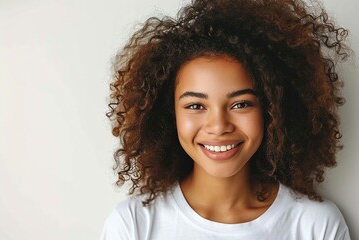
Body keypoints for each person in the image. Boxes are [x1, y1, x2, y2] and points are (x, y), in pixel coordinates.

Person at [101, 0, 352, 239]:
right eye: (196, 105)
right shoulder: (134, 224)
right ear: (169, 115)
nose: (219, 126)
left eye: (240, 104)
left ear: (273, 110)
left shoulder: (315, 226)